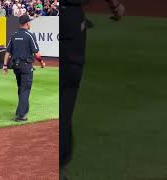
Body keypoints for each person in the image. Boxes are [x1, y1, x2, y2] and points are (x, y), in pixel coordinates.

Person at [60, 0, 125, 179]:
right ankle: (58, 166)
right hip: (72, 21)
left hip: (56, 19)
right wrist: (114, 4)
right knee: (65, 100)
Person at [3, 14, 45, 122]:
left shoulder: (14, 35)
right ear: (27, 23)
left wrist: (4, 65)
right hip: (26, 66)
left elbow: (8, 52)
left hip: (16, 66)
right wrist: (41, 62)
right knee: (25, 90)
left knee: (21, 88)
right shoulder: (30, 35)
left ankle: (24, 109)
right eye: (29, 22)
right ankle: (21, 115)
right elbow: (36, 53)